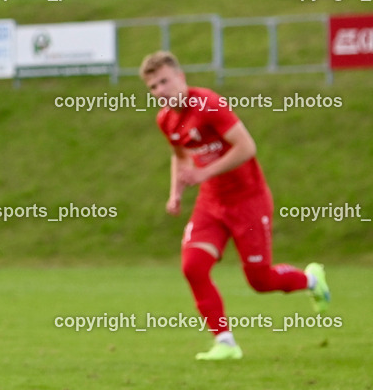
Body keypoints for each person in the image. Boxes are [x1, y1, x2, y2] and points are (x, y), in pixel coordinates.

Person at [139, 51, 329, 361]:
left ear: (181, 77)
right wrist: (175, 194)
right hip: (211, 203)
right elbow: (180, 156)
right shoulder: (166, 119)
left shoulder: (208, 104)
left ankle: (311, 280)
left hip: (248, 202)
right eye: (153, 87)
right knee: (193, 267)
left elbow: (247, 147)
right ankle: (225, 342)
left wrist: (203, 173)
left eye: (164, 81)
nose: (161, 90)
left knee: (260, 280)